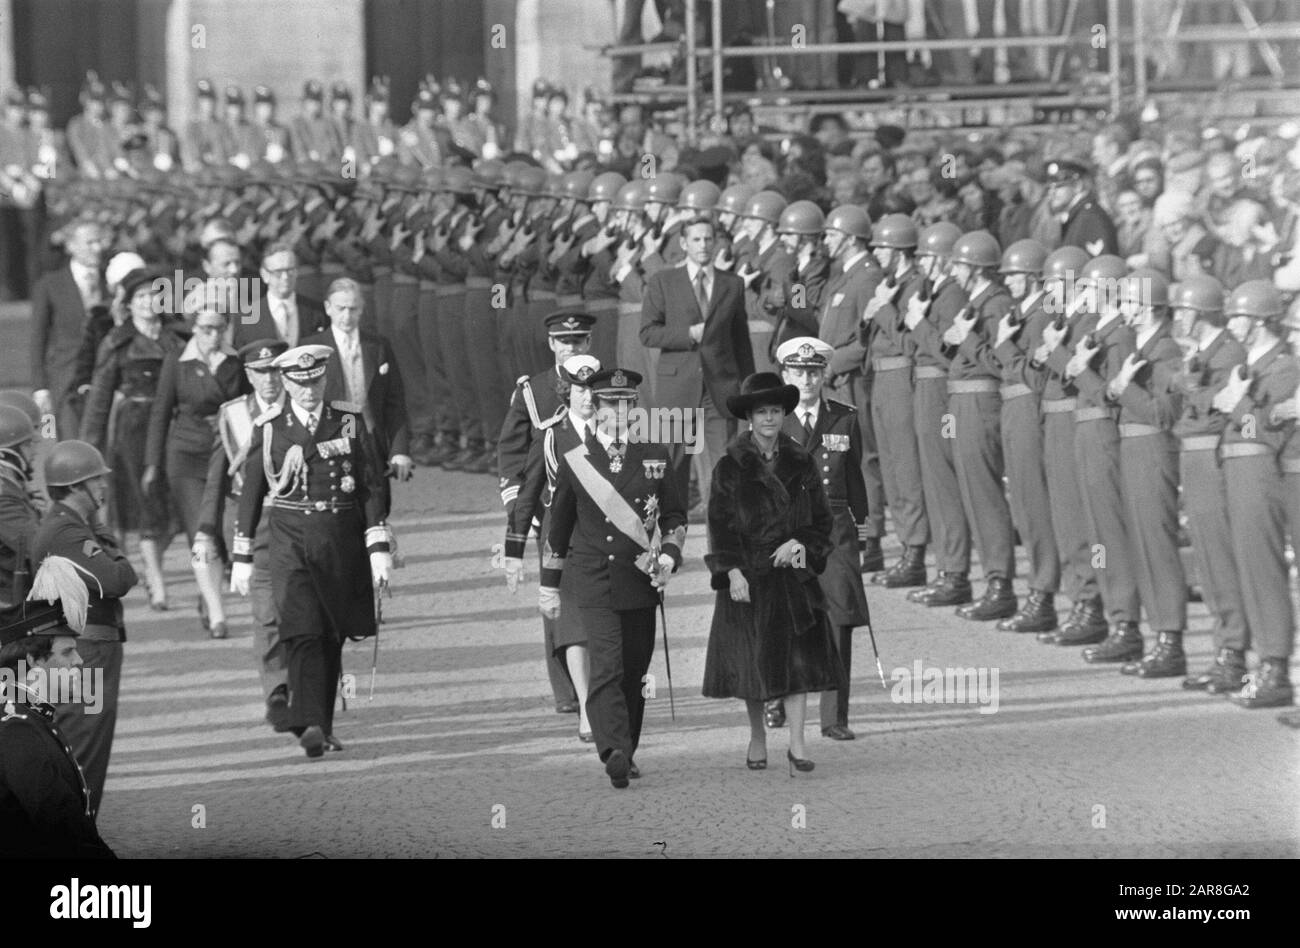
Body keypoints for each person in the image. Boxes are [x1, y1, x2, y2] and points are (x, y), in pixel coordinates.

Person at [230, 345, 392, 758]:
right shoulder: (270, 428)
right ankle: (306, 719)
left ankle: (321, 723)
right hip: (291, 542)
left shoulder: (348, 420)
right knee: (301, 628)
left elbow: (370, 482)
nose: (308, 391)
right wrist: (243, 555)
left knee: (330, 634)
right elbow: (252, 492)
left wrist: (378, 544)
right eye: (299, 384)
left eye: (315, 381)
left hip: (340, 540)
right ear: (285, 382)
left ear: (324, 379)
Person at [538, 367, 685, 789]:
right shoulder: (577, 460)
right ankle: (612, 749)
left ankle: (629, 747)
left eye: (625, 403)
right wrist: (549, 585)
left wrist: (670, 557)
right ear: (597, 410)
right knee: (607, 663)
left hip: (640, 578)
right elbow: (559, 528)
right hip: (595, 576)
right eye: (609, 404)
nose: (618, 411)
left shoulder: (655, 453)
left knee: (635, 670)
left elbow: (675, 515)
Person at [701, 371, 845, 775]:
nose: (769, 419)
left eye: (776, 411)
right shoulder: (730, 466)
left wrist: (801, 544)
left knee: (798, 664)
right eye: (762, 412)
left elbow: (822, 521)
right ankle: (757, 737)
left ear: (784, 414)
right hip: (750, 575)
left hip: (794, 578)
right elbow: (720, 525)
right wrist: (731, 573)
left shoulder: (802, 461)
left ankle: (798, 745)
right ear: (749, 417)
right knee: (754, 666)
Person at [31, 440, 138, 818]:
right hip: (85, 653)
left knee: (85, 748)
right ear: (77, 486)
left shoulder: (70, 525)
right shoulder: (67, 532)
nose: (104, 487)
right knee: (83, 750)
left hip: (88, 649)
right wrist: (111, 546)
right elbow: (118, 579)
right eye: (97, 481)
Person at [497, 311, 594, 716]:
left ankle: (600, 681)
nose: (572, 347)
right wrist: (520, 509)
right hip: (548, 508)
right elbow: (512, 451)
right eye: (564, 341)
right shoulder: (532, 390)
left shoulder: (604, 385)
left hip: (597, 507)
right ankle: (567, 692)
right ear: (552, 343)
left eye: (579, 340)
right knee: (556, 596)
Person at [775, 338, 869, 741]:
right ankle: (778, 698)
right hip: (790, 529)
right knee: (788, 619)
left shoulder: (844, 418)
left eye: (814, 372)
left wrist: (862, 536)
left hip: (834, 531)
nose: (808, 380)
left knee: (838, 620)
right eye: (799, 372)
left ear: (824, 374)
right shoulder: (772, 421)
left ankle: (834, 717)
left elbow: (856, 483)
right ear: (786, 376)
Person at [195, 339, 290, 729]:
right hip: (254, 525)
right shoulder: (233, 414)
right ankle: (277, 692)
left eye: (275, 371)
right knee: (266, 613)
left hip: (299, 520)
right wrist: (205, 528)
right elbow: (218, 474)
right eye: (260, 372)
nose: (269, 380)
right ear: (248, 376)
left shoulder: (302, 407)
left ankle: (308, 683)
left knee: (302, 610)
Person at [1213, 281, 1297, 710]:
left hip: (1263, 475)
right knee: (1251, 567)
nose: (1232, 324)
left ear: (1260, 320)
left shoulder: (1282, 367)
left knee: (1264, 570)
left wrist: (1238, 405)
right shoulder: (1250, 364)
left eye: (1238, 317)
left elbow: (1267, 431)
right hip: (1242, 472)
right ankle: (1267, 662)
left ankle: (1276, 666)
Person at [79, 268, 183, 611]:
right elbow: (99, 399)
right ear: (128, 303)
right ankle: (156, 581)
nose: (148, 302)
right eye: (140, 297)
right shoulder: (117, 341)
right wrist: (88, 449)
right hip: (133, 431)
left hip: (173, 428)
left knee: (173, 512)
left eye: (154, 294)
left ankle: (155, 565)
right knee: (144, 507)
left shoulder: (177, 338)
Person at [639, 216, 755, 517]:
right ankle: (668, 546)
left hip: (720, 390)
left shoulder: (733, 284)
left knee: (724, 470)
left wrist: (750, 391)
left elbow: (741, 341)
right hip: (676, 388)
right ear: (684, 244)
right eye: (696, 240)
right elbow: (648, 332)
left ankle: (723, 549)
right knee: (672, 469)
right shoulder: (663, 281)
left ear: (715, 241)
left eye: (708, 239)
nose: (703, 245)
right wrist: (687, 335)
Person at [145, 293, 245, 637]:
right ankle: (218, 614)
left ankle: (208, 595)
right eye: (204, 328)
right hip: (185, 456)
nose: (212, 336)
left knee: (219, 531)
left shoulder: (237, 362)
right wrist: (152, 464)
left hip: (225, 455)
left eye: (219, 328)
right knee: (200, 533)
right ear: (193, 328)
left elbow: (248, 412)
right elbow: (161, 412)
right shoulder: (177, 360)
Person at [1168, 276, 1249, 694]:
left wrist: (1191, 387)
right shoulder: (1202, 351)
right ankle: (1224, 651)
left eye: (1183, 310)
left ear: (1200, 313)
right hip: (1194, 454)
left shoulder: (1229, 352)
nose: (1178, 317)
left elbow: (1223, 408)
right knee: (1206, 559)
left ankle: (1234, 653)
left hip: (1211, 455)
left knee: (1219, 557)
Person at [0, 600, 115, 859]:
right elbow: (61, 827)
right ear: (34, 662)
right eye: (67, 653)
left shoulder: (28, 716)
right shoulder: (17, 731)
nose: (80, 660)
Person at [302, 278, 413, 514]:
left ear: (362, 309)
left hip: (370, 439)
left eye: (353, 309)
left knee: (378, 507)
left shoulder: (378, 346)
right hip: (330, 443)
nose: (346, 315)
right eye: (340, 308)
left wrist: (399, 450)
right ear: (328, 308)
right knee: (339, 511)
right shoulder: (312, 348)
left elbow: (394, 402)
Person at [816, 204, 886, 573]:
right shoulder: (843, 276)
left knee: (862, 458)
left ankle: (870, 535)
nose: (825, 240)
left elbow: (866, 340)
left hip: (851, 381)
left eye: (831, 234)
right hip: (834, 382)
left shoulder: (867, 278)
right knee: (838, 458)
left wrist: (832, 364)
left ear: (849, 238)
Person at [31, 219, 107, 439]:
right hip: (66, 383)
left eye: (99, 241)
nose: (97, 248)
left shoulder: (110, 282)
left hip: (104, 380)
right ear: (71, 246)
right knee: (71, 448)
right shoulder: (50, 284)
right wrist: (40, 387)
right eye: (90, 242)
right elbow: (38, 339)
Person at [233, 241, 327, 348]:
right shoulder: (245, 317)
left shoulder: (318, 312)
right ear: (265, 275)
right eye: (278, 272)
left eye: (290, 270)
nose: (285, 277)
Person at [0, 405, 40, 617]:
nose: (34, 451)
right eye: (27, 445)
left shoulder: (11, 488)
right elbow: (37, 546)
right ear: (7, 454)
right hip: (8, 603)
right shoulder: (3, 497)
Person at [1045, 159, 1118, 257]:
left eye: (1059, 186)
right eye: (1049, 188)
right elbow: (1070, 266)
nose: (1052, 193)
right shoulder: (1077, 217)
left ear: (1077, 186)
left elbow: (1103, 267)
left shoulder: (1091, 218)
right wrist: (1068, 273)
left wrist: (1069, 273)